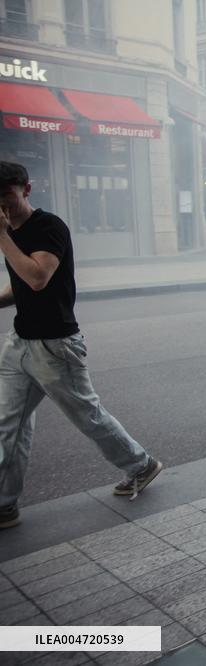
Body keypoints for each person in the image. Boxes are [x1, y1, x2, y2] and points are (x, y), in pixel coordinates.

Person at [0, 162, 162, 530]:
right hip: (19, 343)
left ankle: (141, 465)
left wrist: (2, 237)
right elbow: (22, 285)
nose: (2, 205)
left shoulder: (48, 227)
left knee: (88, 416)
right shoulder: (12, 233)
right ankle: (5, 505)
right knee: (7, 424)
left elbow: (38, 277)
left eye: (7, 196)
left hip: (55, 345)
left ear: (26, 189)